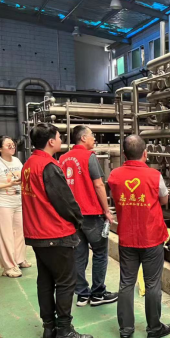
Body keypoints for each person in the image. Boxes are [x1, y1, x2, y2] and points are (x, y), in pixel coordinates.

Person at [22, 123, 93, 338]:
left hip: (37, 233)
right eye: (59, 136)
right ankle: (65, 331)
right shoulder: (48, 166)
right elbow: (64, 201)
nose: (62, 140)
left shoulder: (29, 164)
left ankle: (49, 328)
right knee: (65, 282)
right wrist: (78, 220)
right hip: (54, 232)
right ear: (51, 141)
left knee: (45, 281)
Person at [108, 135, 170, 338]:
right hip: (151, 237)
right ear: (145, 153)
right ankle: (154, 328)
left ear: (124, 154)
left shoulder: (114, 175)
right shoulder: (154, 175)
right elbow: (164, 200)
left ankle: (126, 330)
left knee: (126, 283)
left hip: (127, 237)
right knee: (152, 283)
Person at [59, 126, 118, 308]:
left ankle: (82, 294)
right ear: (83, 138)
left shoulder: (63, 158)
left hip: (71, 215)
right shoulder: (89, 157)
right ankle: (98, 293)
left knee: (78, 254)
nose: (94, 139)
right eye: (92, 136)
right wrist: (106, 210)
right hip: (91, 214)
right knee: (100, 252)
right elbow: (99, 185)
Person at [0, 136, 30, 278]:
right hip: (2, 203)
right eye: (8, 145)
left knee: (20, 232)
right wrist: (9, 184)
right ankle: (8, 266)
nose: (12, 147)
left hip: (18, 202)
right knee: (5, 235)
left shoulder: (16, 161)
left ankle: (19, 259)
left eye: (13, 144)